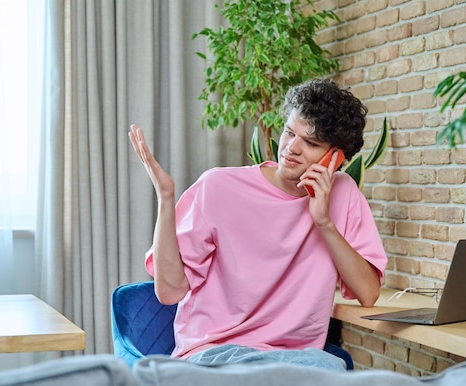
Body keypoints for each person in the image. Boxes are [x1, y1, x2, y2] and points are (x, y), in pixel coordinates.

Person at [129, 78, 387, 371]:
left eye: (311, 143)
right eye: (290, 133)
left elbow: (368, 294)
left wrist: (324, 222)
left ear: (336, 158)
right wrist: (166, 198)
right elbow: (169, 291)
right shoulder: (219, 187)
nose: (291, 148)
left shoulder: (343, 195)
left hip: (295, 361)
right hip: (215, 352)